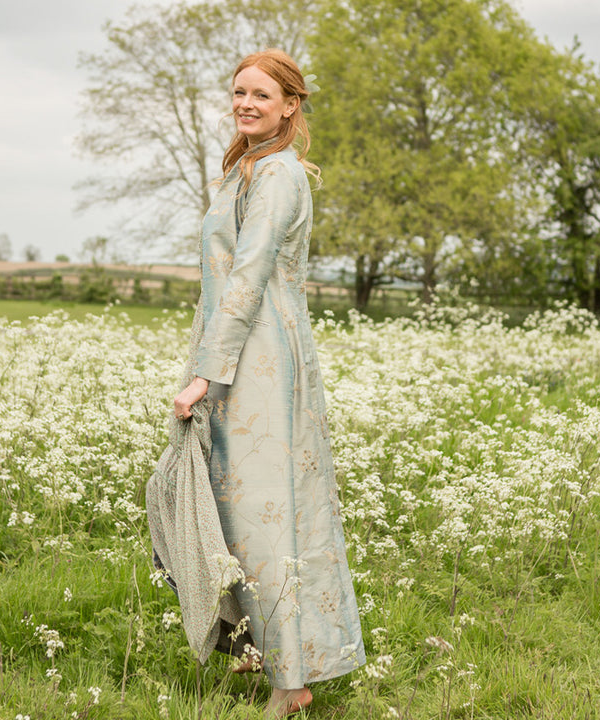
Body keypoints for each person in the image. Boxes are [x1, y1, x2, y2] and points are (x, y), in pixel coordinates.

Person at [172, 49, 366, 718]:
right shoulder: (244, 170)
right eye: (237, 92)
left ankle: (293, 679)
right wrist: (202, 367)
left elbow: (250, 278)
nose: (245, 103)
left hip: (260, 363)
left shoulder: (280, 176)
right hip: (229, 357)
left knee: (267, 516)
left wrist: (205, 376)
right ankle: (264, 650)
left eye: (261, 94)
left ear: (290, 106)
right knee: (234, 514)